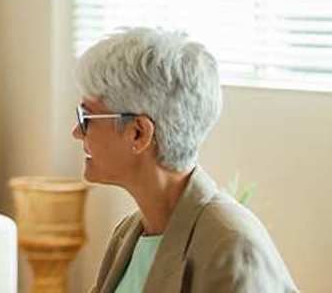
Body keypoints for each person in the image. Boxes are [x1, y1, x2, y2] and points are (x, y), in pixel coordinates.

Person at [74, 28, 297, 292]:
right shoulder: (127, 234)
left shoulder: (233, 247)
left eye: (86, 118)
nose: (77, 132)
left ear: (139, 133)